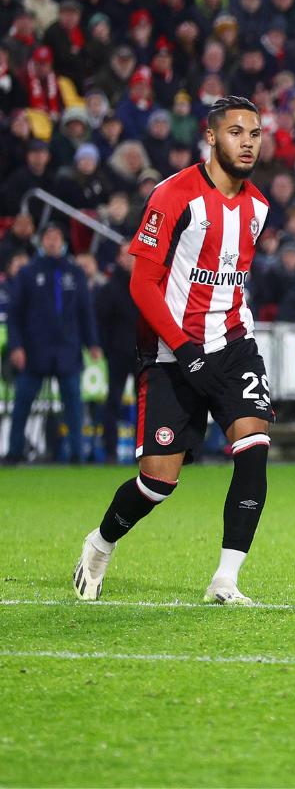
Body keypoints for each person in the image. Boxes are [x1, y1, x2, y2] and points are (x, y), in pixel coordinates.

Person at [72, 97, 274, 606]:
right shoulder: (173, 195)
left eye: (254, 133)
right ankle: (100, 543)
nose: (248, 142)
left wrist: (216, 348)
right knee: (158, 483)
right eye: (236, 132)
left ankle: (225, 580)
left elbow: (231, 281)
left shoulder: (259, 208)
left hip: (232, 344)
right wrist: (185, 351)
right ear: (211, 137)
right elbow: (142, 285)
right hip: (171, 353)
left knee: (253, 449)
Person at [4, 223, 100, 464]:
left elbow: (85, 312)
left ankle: (76, 454)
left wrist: (93, 343)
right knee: (22, 402)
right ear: (40, 241)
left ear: (63, 241)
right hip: (34, 350)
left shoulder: (75, 272)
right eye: (48, 237)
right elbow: (14, 315)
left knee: (74, 405)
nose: (52, 241)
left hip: (68, 349)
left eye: (56, 236)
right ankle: (14, 452)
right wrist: (16, 346)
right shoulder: (27, 273)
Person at [93, 243, 139, 462]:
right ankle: (110, 450)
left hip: (143, 352)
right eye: (126, 254)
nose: (130, 259)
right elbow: (100, 321)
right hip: (118, 353)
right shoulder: (110, 288)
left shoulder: (147, 284)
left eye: (134, 254)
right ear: (119, 258)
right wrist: (105, 347)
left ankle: (143, 450)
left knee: (145, 404)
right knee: (113, 401)